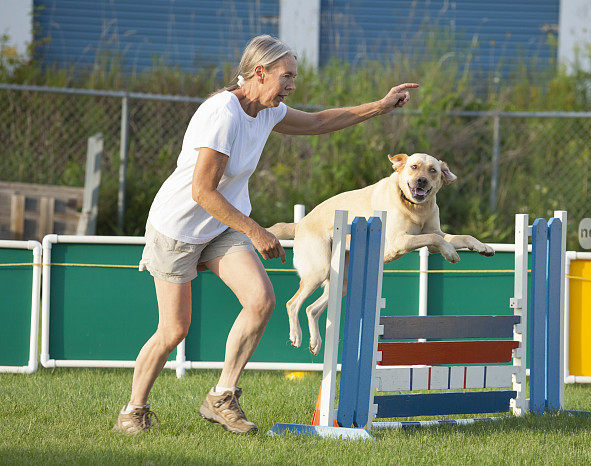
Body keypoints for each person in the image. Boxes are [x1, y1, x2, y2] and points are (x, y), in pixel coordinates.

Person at [113, 34, 418, 435]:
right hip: (180, 227)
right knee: (174, 330)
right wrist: (257, 232)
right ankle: (133, 411)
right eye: (287, 76)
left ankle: (221, 397)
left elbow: (320, 121)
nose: (293, 85)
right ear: (260, 73)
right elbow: (202, 191)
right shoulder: (223, 113)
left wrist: (379, 107)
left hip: (222, 225)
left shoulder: (268, 111)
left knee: (260, 301)